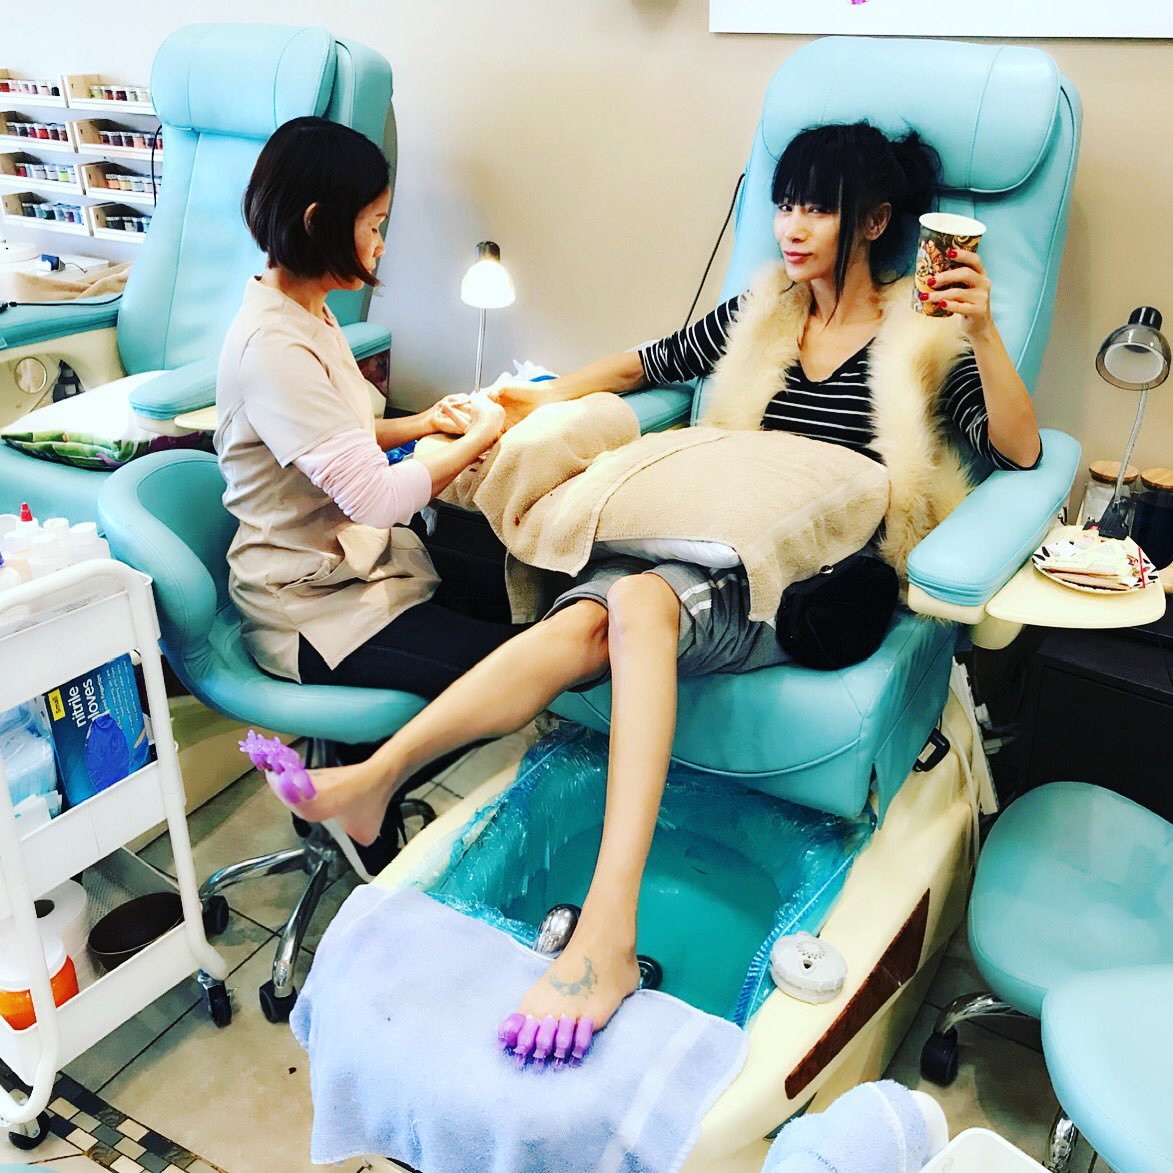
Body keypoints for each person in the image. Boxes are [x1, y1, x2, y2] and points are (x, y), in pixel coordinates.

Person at [259, 122, 1042, 1038]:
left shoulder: (919, 340)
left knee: (633, 600)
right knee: (572, 624)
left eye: (817, 209)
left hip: (804, 581)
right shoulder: (767, 313)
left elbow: (1018, 449)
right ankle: (375, 778)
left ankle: (608, 932)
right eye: (784, 205)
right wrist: (530, 399)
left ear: (872, 221)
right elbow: (647, 362)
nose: (790, 228)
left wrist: (981, 331)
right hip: (709, 535)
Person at [216, 117, 513, 701]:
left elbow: (336, 439)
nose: (382, 244)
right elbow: (376, 500)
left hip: (353, 566)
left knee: (529, 593)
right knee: (519, 662)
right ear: (317, 223)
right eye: (374, 225)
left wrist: (426, 422)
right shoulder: (273, 348)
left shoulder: (310, 312)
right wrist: (482, 433)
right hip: (309, 609)